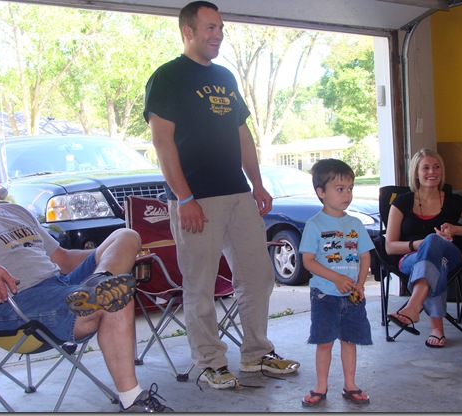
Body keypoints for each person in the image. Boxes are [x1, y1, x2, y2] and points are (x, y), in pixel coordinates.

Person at [143, 0, 299, 390]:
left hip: (238, 194)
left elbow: (242, 134)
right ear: (188, 31)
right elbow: (162, 143)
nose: (218, 35)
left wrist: (257, 183)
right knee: (200, 284)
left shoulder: (226, 77)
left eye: (221, 28)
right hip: (196, 199)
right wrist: (184, 198)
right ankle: (210, 362)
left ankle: (256, 355)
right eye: (210, 28)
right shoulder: (167, 77)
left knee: (258, 276)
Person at [0, 150, 173, 412]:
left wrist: (111, 256)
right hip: (14, 303)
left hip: (61, 285)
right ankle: (132, 400)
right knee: (117, 295)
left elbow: (62, 257)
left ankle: (100, 282)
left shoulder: (16, 211)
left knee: (125, 236)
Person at [385, 148, 462, 348]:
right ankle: (436, 329)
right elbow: (390, 247)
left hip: (450, 253)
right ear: (416, 173)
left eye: (436, 167)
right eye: (425, 167)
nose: (432, 172)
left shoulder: (454, 201)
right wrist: (419, 244)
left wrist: (456, 229)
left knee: (435, 242)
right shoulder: (402, 202)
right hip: (411, 257)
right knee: (437, 262)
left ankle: (413, 306)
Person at [299, 159, 373, 407]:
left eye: (350, 188)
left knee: (350, 340)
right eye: (340, 189)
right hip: (325, 295)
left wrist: (360, 284)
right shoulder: (314, 225)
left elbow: (365, 256)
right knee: (324, 341)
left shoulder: (355, 224)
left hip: (352, 295)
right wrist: (337, 278)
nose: (347, 194)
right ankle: (321, 386)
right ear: (321, 192)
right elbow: (308, 261)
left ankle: (350, 384)